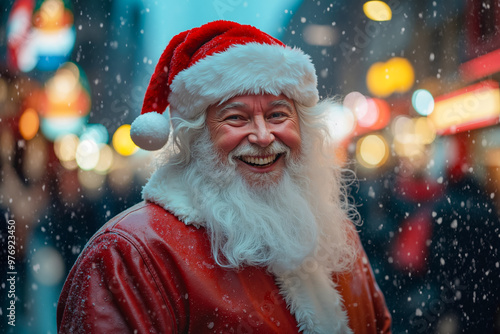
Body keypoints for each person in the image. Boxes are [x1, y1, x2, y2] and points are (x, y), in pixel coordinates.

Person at [57, 20, 391, 334]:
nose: (263, 136)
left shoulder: (336, 234)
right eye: (236, 118)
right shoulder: (128, 254)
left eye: (278, 115)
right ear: (195, 138)